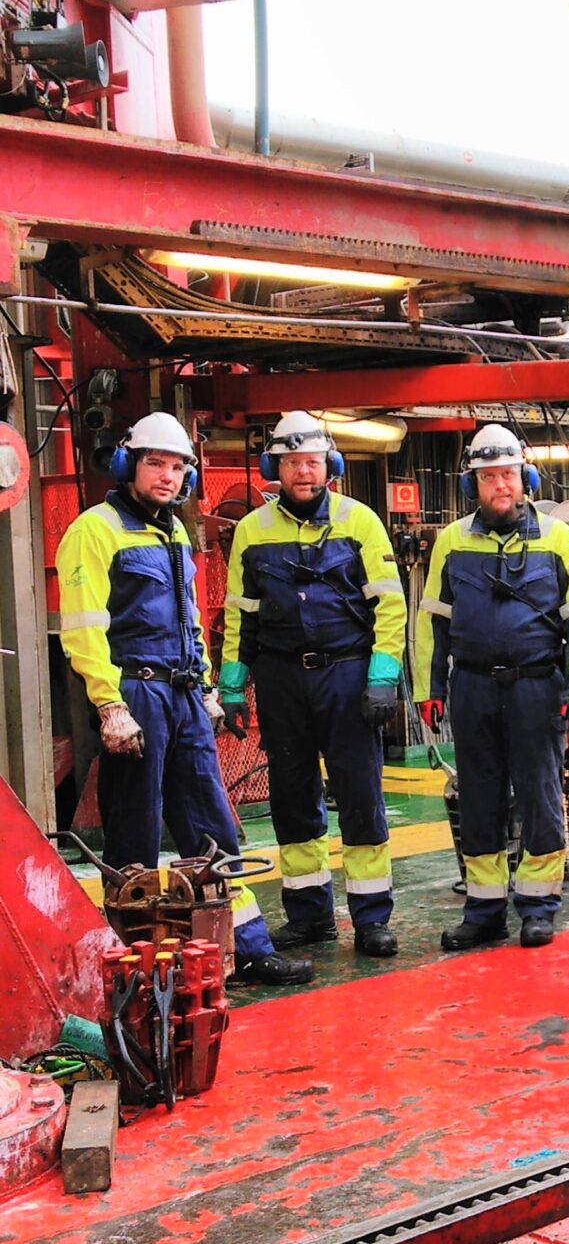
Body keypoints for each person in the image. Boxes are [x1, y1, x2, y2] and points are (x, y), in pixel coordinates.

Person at [55, 412, 310, 987]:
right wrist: (109, 705)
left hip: (184, 694)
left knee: (213, 828)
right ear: (128, 465)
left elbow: (188, 617)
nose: (167, 477)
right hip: (136, 694)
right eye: (155, 464)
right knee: (135, 837)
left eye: (177, 468)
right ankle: (135, 969)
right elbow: (84, 629)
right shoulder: (94, 531)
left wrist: (207, 686)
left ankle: (245, 948)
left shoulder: (172, 531)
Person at [219, 412, 407, 959]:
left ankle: (372, 918)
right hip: (280, 679)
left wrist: (382, 677)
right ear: (273, 468)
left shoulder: (360, 522)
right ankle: (309, 916)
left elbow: (390, 607)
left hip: (346, 675)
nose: (304, 472)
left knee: (360, 795)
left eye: (312, 462)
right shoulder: (252, 531)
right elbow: (240, 615)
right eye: (292, 463)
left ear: (330, 465)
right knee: (292, 798)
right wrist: (233, 685)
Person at [413, 424, 569, 952]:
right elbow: (433, 622)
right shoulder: (452, 542)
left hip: (536, 688)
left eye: (508, 475)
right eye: (489, 476)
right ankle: (485, 910)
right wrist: (431, 687)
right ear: (473, 484)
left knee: (540, 797)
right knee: (478, 799)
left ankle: (538, 908)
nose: (500, 485)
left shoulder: (559, 540)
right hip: (472, 688)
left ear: (525, 479)